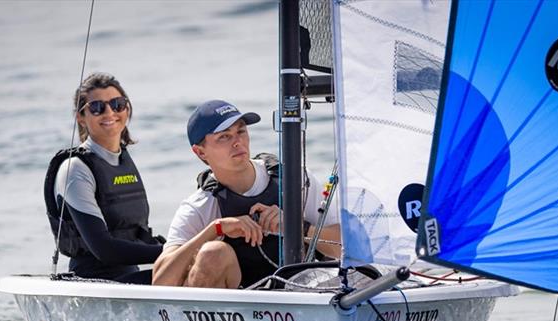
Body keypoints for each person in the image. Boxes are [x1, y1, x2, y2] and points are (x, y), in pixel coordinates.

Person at [152, 99, 340, 288]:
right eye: (224, 137)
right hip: (233, 312)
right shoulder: (199, 206)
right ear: (200, 152)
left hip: (297, 300)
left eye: (241, 131)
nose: (237, 142)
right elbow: (160, 283)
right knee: (213, 252)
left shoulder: (296, 180)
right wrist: (214, 230)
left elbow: (349, 249)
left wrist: (297, 227)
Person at [43, 72, 164, 283]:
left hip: (130, 278)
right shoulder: (75, 170)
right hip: (95, 284)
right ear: (80, 117)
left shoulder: (122, 160)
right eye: (97, 107)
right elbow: (104, 249)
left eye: (117, 104)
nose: (109, 112)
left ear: (127, 109)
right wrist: (172, 251)